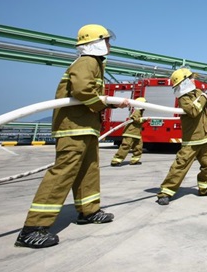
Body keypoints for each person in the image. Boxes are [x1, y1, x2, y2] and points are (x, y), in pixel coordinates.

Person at [15, 24, 129, 249]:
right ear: (95, 42)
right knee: (63, 172)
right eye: (106, 40)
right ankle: (32, 229)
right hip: (73, 127)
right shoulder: (87, 62)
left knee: (89, 170)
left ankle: (88, 211)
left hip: (85, 127)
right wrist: (104, 103)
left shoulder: (96, 64)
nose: (109, 45)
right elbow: (82, 89)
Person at [156, 68, 207, 206]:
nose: (193, 80)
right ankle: (166, 192)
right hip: (192, 139)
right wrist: (206, 93)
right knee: (180, 165)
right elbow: (193, 110)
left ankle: (206, 187)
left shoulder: (197, 92)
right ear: (184, 81)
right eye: (190, 78)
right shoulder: (183, 98)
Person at [110, 97, 146, 166]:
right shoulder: (137, 111)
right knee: (126, 146)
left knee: (138, 147)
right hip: (130, 133)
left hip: (136, 133)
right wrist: (144, 120)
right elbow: (136, 120)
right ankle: (116, 161)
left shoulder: (139, 111)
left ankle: (135, 160)